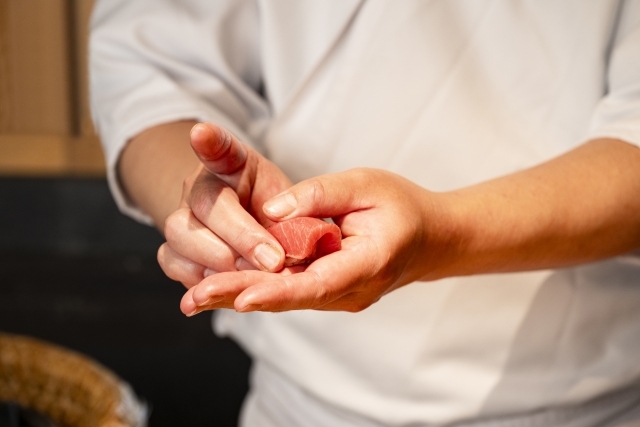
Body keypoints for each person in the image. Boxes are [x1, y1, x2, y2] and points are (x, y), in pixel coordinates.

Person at [90, 0, 640, 425]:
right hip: (299, 398)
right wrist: (204, 207)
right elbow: (150, 68)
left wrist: (438, 232)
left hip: (586, 397)